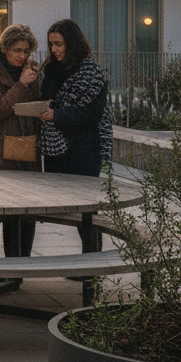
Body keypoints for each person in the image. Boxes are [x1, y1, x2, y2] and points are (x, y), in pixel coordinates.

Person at [39, 18, 113, 257]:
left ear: (72, 43)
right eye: (51, 44)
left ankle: (91, 267)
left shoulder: (90, 71)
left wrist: (57, 114)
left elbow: (92, 114)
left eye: (59, 44)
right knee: (66, 210)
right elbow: (47, 98)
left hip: (84, 149)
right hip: (56, 148)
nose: (54, 49)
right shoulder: (49, 69)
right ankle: (85, 264)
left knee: (87, 213)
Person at [0, 24, 42, 268]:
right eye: (16, 50)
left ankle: (20, 264)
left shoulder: (31, 72)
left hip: (26, 148)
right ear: (3, 48)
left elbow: (34, 105)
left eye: (26, 51)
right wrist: (21, 85)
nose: (21, 56)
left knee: (25, 211)